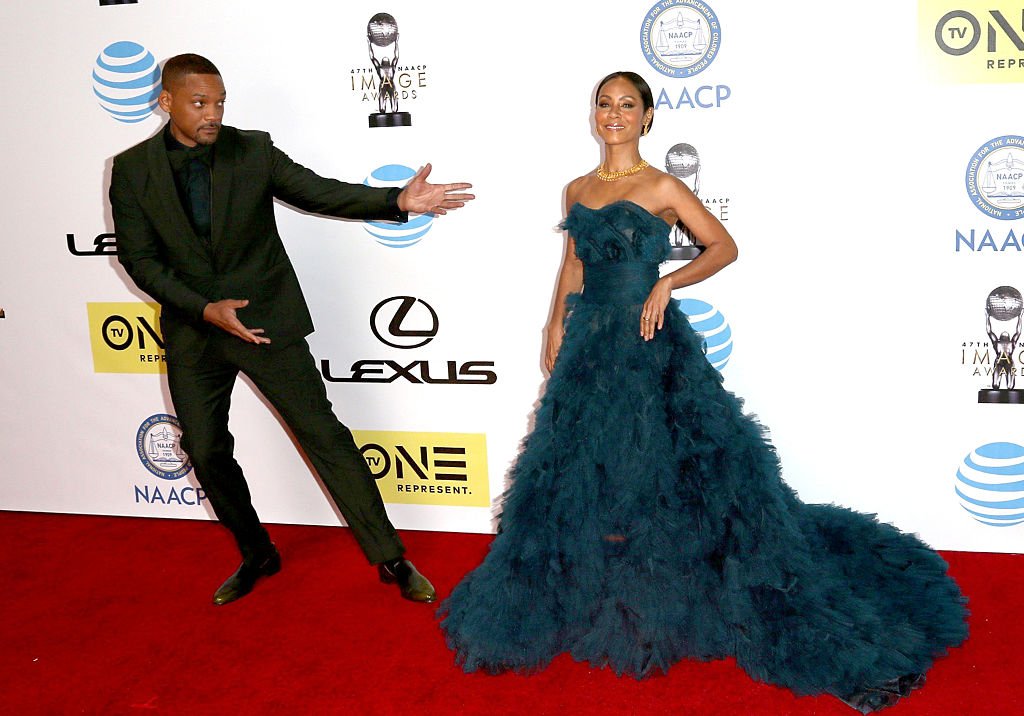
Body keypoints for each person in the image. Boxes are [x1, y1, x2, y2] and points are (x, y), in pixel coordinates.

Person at [438, 71, 967, 713]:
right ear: (594, 114)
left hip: (648, 344)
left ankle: (685, 595)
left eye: (627, 105)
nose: (614, 115)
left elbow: (724, 246)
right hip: (589, 347)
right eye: (604, 104)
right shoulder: (575, 187)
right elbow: (573, 263)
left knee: (667, 476)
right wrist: (553, 321)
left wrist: (668, 283)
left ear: (648, 117)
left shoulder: (663, 185)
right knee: (579, 475)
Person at [109, 53, 474, 606]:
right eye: (200, 103)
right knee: (205, 451)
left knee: (324, 435)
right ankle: (257, 553)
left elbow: (318, 191)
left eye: (220, 101)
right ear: (166, 102)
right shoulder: (133, 169)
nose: (213, 113)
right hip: (194, 328)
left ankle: (391, 557)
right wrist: (205, 308)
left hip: (266, 321)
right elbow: (140, 260)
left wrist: (394, 200)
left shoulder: (251, 149)